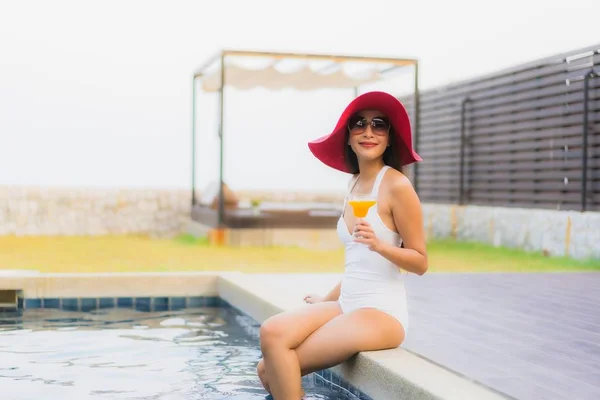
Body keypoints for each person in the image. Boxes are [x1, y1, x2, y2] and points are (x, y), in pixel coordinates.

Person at [256, 91, 428, 399]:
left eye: (379, 124)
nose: (368, 131)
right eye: (359, 124)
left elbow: (420, 262)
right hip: (347, 303)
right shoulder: (352, 185)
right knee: (268, 347)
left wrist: (381, 245)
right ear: (348, 137)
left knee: (283, 364)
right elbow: (357, 263)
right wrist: (326, 299)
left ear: (389, 138)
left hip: (381, 312)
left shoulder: (397, 186)